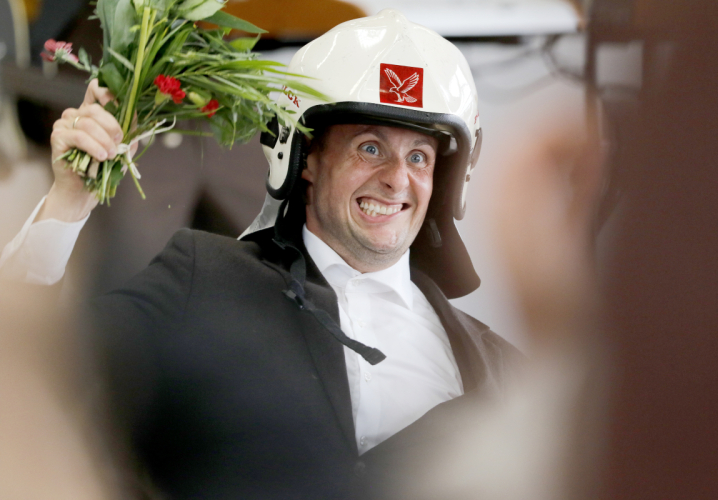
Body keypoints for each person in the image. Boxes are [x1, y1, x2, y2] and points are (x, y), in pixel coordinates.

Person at [1, 10, 520, 499]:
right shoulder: (204, 277)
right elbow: (35, 369)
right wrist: (69, 199)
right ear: (305, 156)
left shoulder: (505, 372)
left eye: (419, 157)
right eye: (369, 147)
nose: (396, 178)